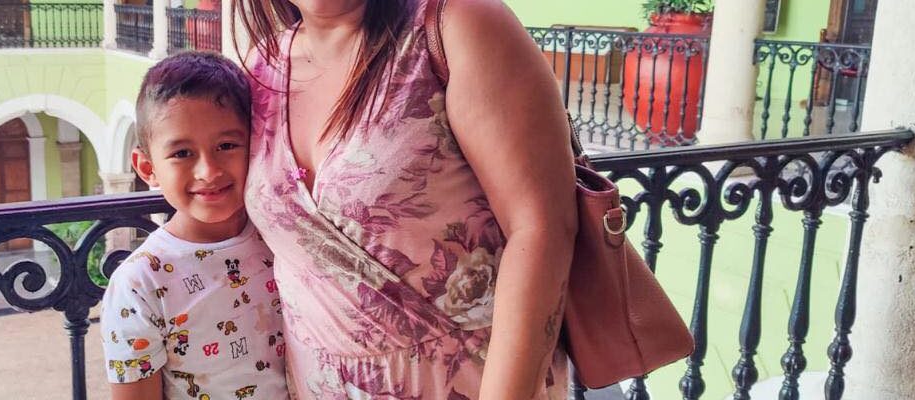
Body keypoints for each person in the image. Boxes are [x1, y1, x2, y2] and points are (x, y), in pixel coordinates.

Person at [237, 0, 577, 398]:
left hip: (470, 382)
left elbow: (541, 228)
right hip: (314, 382)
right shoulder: (262, 64)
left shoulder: (459, 25)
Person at [100, 51, 288, 400]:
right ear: (147, 168)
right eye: (182, 153)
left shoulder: (282, 237)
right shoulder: (139, 283)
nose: (208, 171)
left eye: (226, 145)